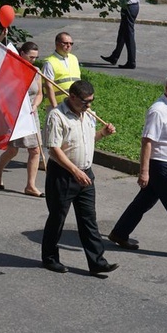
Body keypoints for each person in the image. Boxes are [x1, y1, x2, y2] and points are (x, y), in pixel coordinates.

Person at [109, 72, 167, 261]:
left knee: (144, 202)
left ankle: (119, 233)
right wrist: (144, 172)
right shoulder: (158, 110)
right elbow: (147, 141)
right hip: (162, 167)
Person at [41, 80, 119, 275]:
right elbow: (54, 149)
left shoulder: (88, 114)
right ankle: (50, 258)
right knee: (57, 218)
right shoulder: (56, 116)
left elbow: (87, 139)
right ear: (72, 97)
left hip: (86, 174)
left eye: (91, 101)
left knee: (89, 220)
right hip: (63, 175)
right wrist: (74, 171)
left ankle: (97, 262)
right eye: (85, 102)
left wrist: (103, 133)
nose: (89, 106)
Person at [0, 42, 45, 197]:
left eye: (36, 57)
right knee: (13, 150)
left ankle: (30, 185)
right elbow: (3, 93)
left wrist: (35, 105)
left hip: (31, 116)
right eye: (31, 57)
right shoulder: (11, 71)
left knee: (35, 150)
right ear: (21, 53)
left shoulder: (36, 71)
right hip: (16, 116)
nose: (34, 60)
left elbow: (40, 93)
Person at [101, 0, 142, 70]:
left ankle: (131, 62)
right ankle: (114, 57)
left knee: (128, 35)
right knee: (122, 34)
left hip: (129, 6)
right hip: (133, 6)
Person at [42, 32, 80, 109]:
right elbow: (48, 86)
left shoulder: (74, 59)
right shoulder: (49, 62)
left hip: (74, 103)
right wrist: (55, 107)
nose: (68, 45)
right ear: (57, 44)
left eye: (71, 43)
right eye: (65, 43)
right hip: (58, 105)